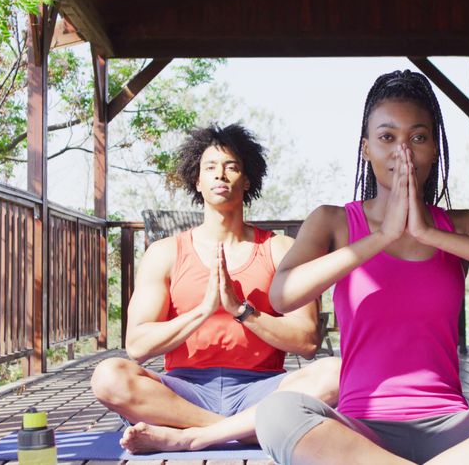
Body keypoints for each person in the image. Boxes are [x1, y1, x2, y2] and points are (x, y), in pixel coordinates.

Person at [255, 70, 469, 464]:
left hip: (455, 433)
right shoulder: (333, 221)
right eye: (387, 137)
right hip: (360, 436)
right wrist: (383, 237)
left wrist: (427, 232)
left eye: (417, 137)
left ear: (434, 149)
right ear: (366, 149)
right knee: (277, 414)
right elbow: (282, 297)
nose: (402, 150)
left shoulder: (460, 226)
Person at [90, 123, 340, 454]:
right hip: (183, 392)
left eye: (231, 167)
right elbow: (137, 346)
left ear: (247, 179)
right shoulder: (165, 253)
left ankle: (191, 435)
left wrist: (242, 311)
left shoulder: (279, 249)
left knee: (336, 372)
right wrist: (203, 310)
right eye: (210, 168)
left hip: (262, 388)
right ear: (198, 180)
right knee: (108, 376)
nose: (220, 175)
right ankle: (242, 429)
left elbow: (307, 341)